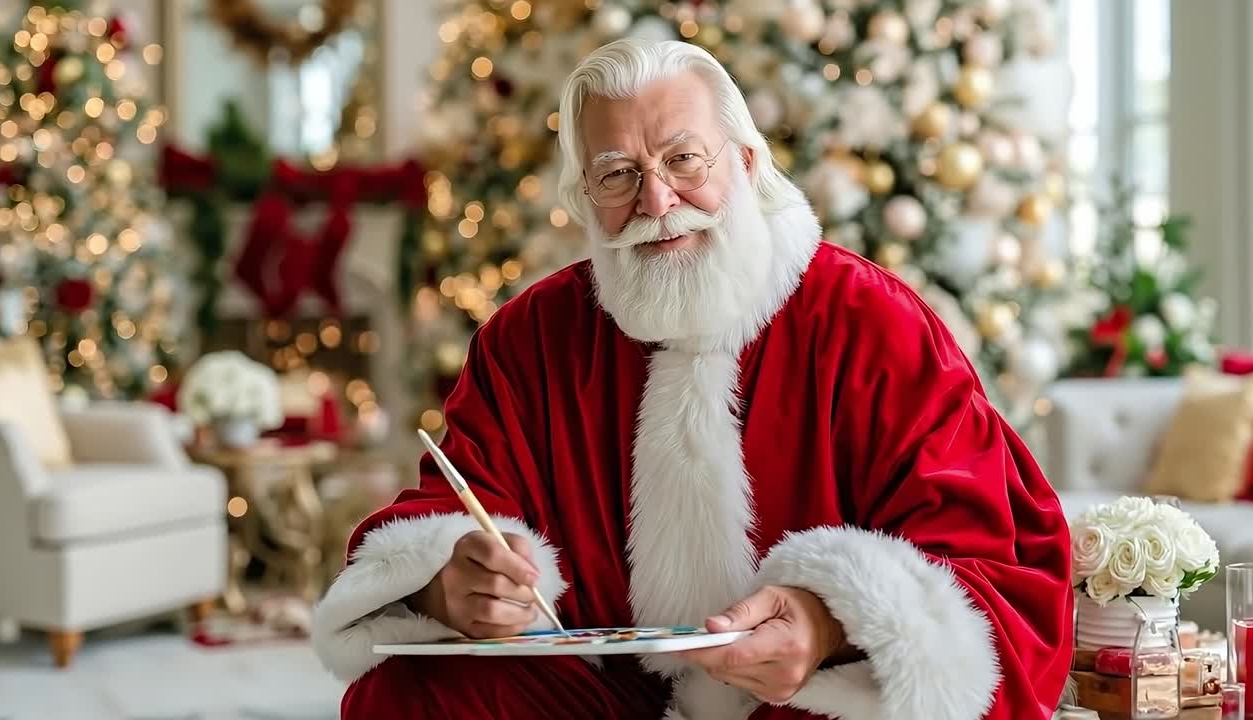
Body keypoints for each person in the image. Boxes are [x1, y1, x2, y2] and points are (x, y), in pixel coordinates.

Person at [313, 38, 1073, 720]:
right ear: (585, 200)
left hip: (805, 694)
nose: (656, 201)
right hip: (601, 696)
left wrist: (829, 622)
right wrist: (448, 585)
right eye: (617, 175)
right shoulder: (527, 340)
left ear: (746, 162)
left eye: (683, 160)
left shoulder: (871, 320)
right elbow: (458, 507)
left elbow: (985, 563)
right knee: (411, 694)